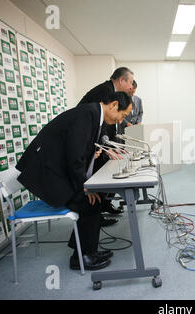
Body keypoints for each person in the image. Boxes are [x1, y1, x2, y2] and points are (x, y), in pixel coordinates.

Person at [16, 92, 132, 271]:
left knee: (95, 200)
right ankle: (81, 257)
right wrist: (86, 188)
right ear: (114, 105)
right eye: (122, 115)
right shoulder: (88, 114)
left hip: (56, 169)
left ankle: (88, 250)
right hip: (47, 174)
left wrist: (91, 158)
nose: (119, 120)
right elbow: (74, 157)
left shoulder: (93, 114)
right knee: (89, 202)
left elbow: (75, 148)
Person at [79, 67, 134, 225]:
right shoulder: (104, 90)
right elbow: (101, 121)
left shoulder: (110, 90)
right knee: (97, 178)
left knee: (104, 173)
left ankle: (103, 207)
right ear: (121, 80)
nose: (131, 87)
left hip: (96, 142)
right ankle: (96, 216)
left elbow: (107, 123)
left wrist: (111, 145)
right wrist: (106, 146)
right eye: (129, 82)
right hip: (88, 143)